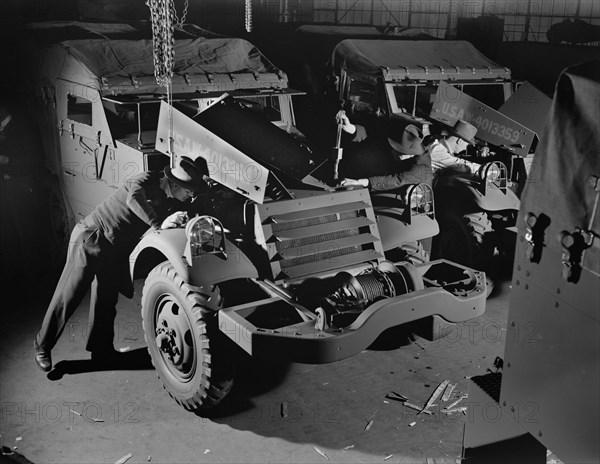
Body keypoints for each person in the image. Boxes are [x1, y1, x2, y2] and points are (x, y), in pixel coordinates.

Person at [34, 157, 208, 372]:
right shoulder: (145, 179)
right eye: (188, 190)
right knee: (68, 296)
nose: (190, 195)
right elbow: (133, 199)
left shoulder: (171, 200)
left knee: (106, 300)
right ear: (174, 184)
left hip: (114, 250)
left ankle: (101, 350)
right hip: (91, 237)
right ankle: (42, 345)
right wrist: (159, 223)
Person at [336, 111, 432, 191]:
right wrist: (352, 129)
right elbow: (374, 137)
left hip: (403, 198)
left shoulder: (420, 169)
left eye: (397, 151)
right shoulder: (400, 145)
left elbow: (396, 180)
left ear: (409, 155)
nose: (391, 151)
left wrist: (360, 182)